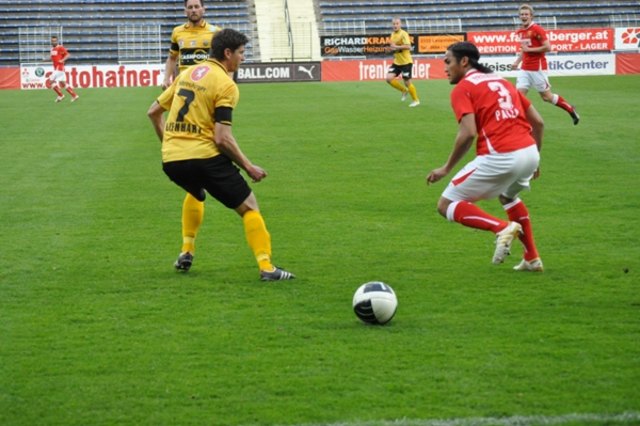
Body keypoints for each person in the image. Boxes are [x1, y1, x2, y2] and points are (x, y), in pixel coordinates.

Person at [147, 28, 295, 281]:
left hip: (172, 161)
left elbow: (153, 112)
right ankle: (267, 268)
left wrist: (169, 144)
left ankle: (187, 251)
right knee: (249, 207)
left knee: (196, 191)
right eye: (241, 53)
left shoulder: (187, 73)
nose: (243, 58)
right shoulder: (225, 84)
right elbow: (222, 138)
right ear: (228, 53)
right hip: (204, 157)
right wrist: (249, 167)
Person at [427, 41, 545, 272]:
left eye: (448, 61)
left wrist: (446, 168)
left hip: (501, 156)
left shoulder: (463, 88)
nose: (445, 67)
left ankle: (501, 228)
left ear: (464, 61)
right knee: (508, 196)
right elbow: (538, 122)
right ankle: (532, 258)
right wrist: (536, 160)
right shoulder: (503, 82)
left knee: (445, 204)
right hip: (530, 152)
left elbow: (468, 133)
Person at [512, 4, 579, 125]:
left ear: (531, 16)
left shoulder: (537, 29)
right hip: (525, 69)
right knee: (518, 97)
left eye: (526, 14)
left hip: (537, 68)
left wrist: (529, 50)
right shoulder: (520, 31)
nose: (524, 16)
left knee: (546, 97)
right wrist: (517, 62)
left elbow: (548, 47)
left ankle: (570, 109)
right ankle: (522, 125)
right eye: (522, 14)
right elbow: (524, 49)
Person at [162, 0, 221, 90]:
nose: (193, 10)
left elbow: (223, 60)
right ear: (185, 11)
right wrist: (166, 79)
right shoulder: (177, 32)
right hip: (184, 85)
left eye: (196, 7)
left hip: (207, 86)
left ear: (203, 9)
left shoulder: (216, 32)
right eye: (190, 7)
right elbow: (172, 58)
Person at [385, 18, 420, 107]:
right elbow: (394, 48)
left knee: (407, 82)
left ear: (400, 24)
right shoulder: (392, 35)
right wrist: (389, 49)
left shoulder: (403, 33)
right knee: (389, 78)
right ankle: (403, 90)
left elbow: (408, 46)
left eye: (397, 24)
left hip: (406, 62)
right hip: (397, 62)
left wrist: (396, 47)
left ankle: (416, 100)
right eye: (394, 24)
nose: (395, 25)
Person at [48, 36, 79, 103]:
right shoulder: (52, 49)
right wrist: (45, 60)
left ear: (57, 41)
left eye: (55, 41)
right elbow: (52, 58)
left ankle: (61, 95)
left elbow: (68, 55)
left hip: (59, 67)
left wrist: (62, 60)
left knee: (50, 81)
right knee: (63, 83)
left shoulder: (60, 47)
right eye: (52, 41)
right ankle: (74, 95)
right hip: (58, 68)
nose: (53, 42)